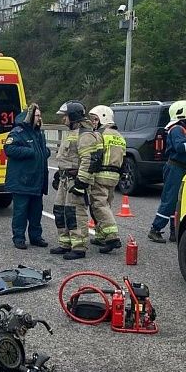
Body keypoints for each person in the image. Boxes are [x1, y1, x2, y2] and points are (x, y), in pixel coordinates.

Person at [148, 100, 186, 243]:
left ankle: (174, 231)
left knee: (177, 202)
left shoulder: (184, 129)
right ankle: (155, 229)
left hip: (182, 168)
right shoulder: (176, 130)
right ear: (180, 113)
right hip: (175, 168)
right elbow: (180, 148)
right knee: (169, 200)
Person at [50, 101, 102, 260]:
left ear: (73, 116)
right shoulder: (73, 132)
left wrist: (81, 182)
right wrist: (59, 175)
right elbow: (68, 157)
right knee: (60, 210)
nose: (63, 119)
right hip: (66, 179)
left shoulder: (85, 135)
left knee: (75, 213)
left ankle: (79, 247)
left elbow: (89, 160)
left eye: (65, 116)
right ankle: (65, 243)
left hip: (75, 180)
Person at [4, 103, 50, 249]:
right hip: (22, 181)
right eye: (37, 115)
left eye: (40, 115)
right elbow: (9, 148)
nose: (39, 118)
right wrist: (30, 152)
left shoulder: (39, 133)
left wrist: (45, 153)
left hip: (37, 180)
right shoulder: (17, 132)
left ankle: (36, 237)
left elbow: (42, 150)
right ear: (30, 117)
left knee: (36, 212)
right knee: (21, 212)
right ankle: (18, 238)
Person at [87, 105, 126, 253]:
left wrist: (88, 173)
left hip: (101, 175)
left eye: (95, 119)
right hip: (114, 176)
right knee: (106, 205)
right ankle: (101, 235)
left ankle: (112, 237)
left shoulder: (100, 134)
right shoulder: (119, 136)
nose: (94, 123)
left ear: (103, 118)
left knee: (98, 206)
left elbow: (94, 156)